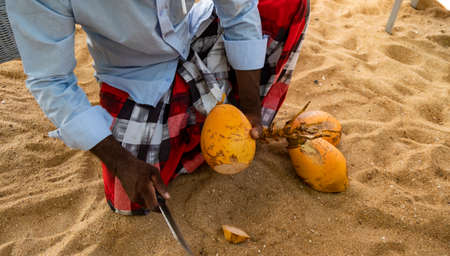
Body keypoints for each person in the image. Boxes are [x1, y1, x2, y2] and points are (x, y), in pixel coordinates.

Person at [7, 0, 309, 215]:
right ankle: (195, 128)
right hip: (136, 75)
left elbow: (239, 10)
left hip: (194, 37)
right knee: (130, 200)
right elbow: (51, 81)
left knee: (286, 3)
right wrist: (121, 162)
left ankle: (213, 119)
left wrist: (250, 108)